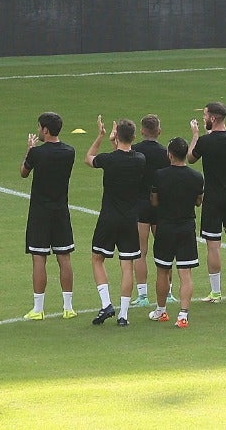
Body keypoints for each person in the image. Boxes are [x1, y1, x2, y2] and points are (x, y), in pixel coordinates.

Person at [86, 115, 145, 327]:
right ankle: (124, 315)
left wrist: (101, 136)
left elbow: (89, 158)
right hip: (130, 219)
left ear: (117, 136)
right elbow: (124, 153)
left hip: (109, 217)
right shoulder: (140, 159)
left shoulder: (109, 160)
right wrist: (116, 141)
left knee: (97, 258)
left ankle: (106, 304)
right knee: (127, 265)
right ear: (134, 136)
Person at [21, 111, 76, 320]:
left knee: (39, 258)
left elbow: (23, 172)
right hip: (61, 211)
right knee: (64, 257)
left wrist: (29, 150)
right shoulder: (69, 152)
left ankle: (38, 309)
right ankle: (68, 307)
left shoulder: (37, 154)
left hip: (39, 213)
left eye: (39, 127)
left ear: (45, 129)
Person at [190, 101, 226, 302]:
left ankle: (216, 292)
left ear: (213, 118)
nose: (204, 119)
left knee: (213, 245)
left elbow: (190, 158)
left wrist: (196, 135)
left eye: (205, 116)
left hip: (213, 198)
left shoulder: (205, 142)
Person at [148, 135, 204, 327]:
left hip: (165, 227)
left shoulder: (159, 176)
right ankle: (183, 315)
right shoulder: (197, 177)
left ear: (169, 155)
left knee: (163, 270)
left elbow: (154, 201)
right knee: (185, 272)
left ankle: (161, 311)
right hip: (186, 227)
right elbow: (198, 201)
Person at [130, 114, 171, 307]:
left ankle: (143, 295)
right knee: (164, 249)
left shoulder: (134, 151)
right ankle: (168, 292)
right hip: (162, 205)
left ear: (142, 131)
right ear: (159, 131)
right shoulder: (166, 153)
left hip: (140, 204)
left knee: (141, 251)